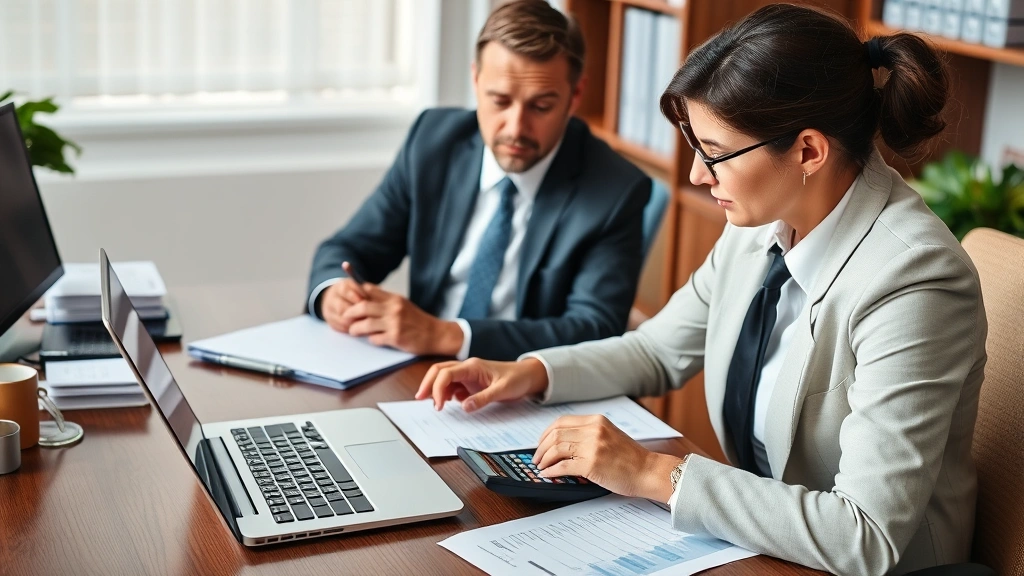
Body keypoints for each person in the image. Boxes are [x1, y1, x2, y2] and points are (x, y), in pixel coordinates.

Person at [416, 5, 988, 575]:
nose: (695, 175)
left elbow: (864, 536)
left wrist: (650, 473)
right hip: (760, 544)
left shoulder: (913, 281)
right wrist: (528, 372)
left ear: (808, 151)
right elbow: (656, 349)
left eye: (714, 154)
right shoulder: (764, 222)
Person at [306, 0, 650, 361]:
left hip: (527, 384)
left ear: (575, 96)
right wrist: (334, 291)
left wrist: (446, 335)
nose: (516, 128)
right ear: (475, 80)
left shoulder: (616, 190)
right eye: (500, 101)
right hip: (419, 371)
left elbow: (595, 328)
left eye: (541, 106)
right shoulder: (433, 142)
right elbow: (349, 248)